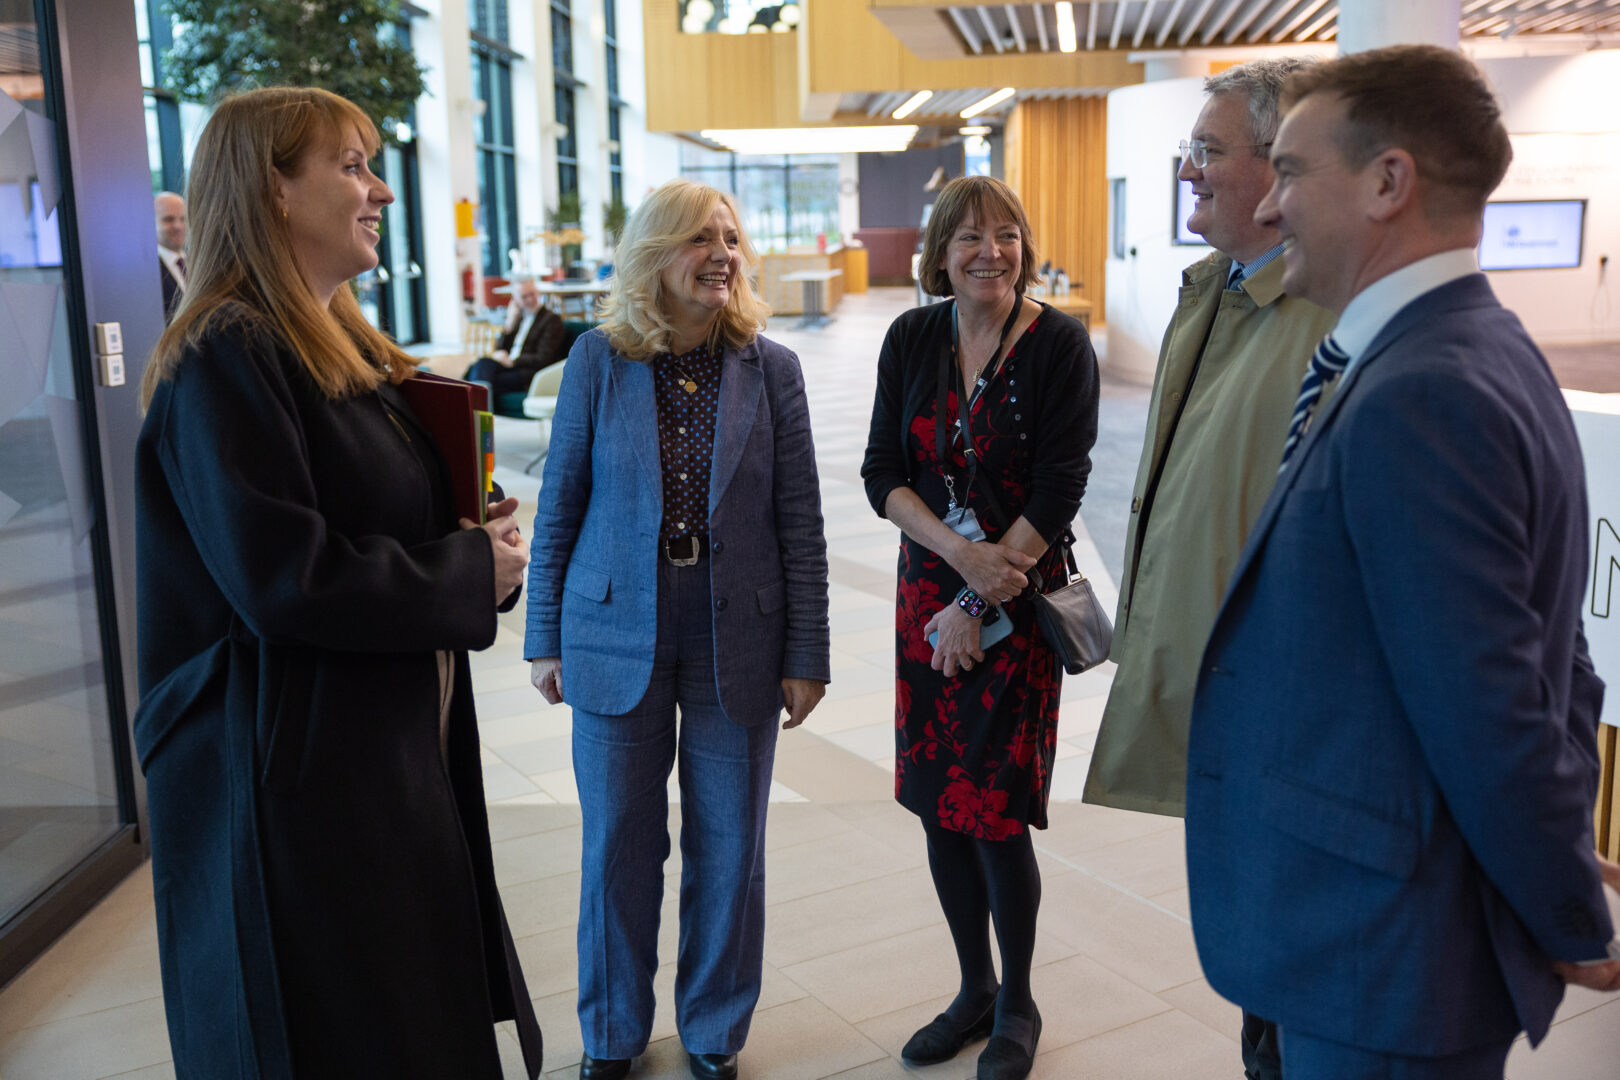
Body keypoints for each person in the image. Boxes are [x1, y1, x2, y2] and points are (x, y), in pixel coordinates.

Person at [1186, 44, 1620, 1078]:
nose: (1271, 208)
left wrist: (1564, 906)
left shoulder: (1424, 394)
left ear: (1389, 183)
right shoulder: (1468, 349)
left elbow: (1496, 702)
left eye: (1291, 171)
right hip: (1377, 931)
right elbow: (1547, 655)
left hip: (1383, 955)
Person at [133, 87, 541, 1079]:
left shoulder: (341, 350)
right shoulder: (228, 354)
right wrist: (462, 571)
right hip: (291, 787)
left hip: (369, 762)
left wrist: (468, 536)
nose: (381, 193)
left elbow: (363, 523)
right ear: (273, 190)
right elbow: (285, 578)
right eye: (352, 166)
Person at [525, 178, 830, 1080]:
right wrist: (545, 634)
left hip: (740, 631)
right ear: (655, 255)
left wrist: (808, 652)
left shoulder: (771, 369)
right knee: (619, 839)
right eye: (702, 239)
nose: (724, 256)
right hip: (615, 630)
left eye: (732, 239)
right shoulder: (597, 360)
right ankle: (612, 1033)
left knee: (731, 842)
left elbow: (801, 522)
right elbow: (560, 508)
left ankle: (712, 1031)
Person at [1080, 56, 1332, 1080]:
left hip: (1282, 728)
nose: (1190, 171)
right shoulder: (1212, 293)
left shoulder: (1325, 322)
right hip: (1218, 710)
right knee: (1252, 976)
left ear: (1282, 172)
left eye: (1209, 152)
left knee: (1290, 984)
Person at [862, 175, 1098, 1080]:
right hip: (930, 607)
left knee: (994, 812)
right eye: (968, 238)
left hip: (1017, 606)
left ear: (1024, 248)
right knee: (936, 807)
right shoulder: (912, 336)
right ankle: (972, 989)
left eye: (1004, 235)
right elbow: (884, 472)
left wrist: (983, 591)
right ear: (941, 253)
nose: (988, 252)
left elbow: (1060, 487)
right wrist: (957, 572)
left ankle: (1019, 1002)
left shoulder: (1058, 346)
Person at [464, 276, 568, 395]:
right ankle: (477, 405)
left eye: (532, 294)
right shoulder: (518, 318)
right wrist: (509, 325)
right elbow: (500, 349)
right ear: (515, 300)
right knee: (481, 364)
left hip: (528, 371)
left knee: (482, 379)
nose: (530, 299)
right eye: (524, 297)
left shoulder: (551, 320)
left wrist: (513, 361)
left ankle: (475, 407)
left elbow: (544, 358)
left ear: (538, 293)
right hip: (510, 366)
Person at [155, 191, 186, 320]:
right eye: (168, 219)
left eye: (183, 219)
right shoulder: (149, 272)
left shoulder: (199, 264)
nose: (178, 226)